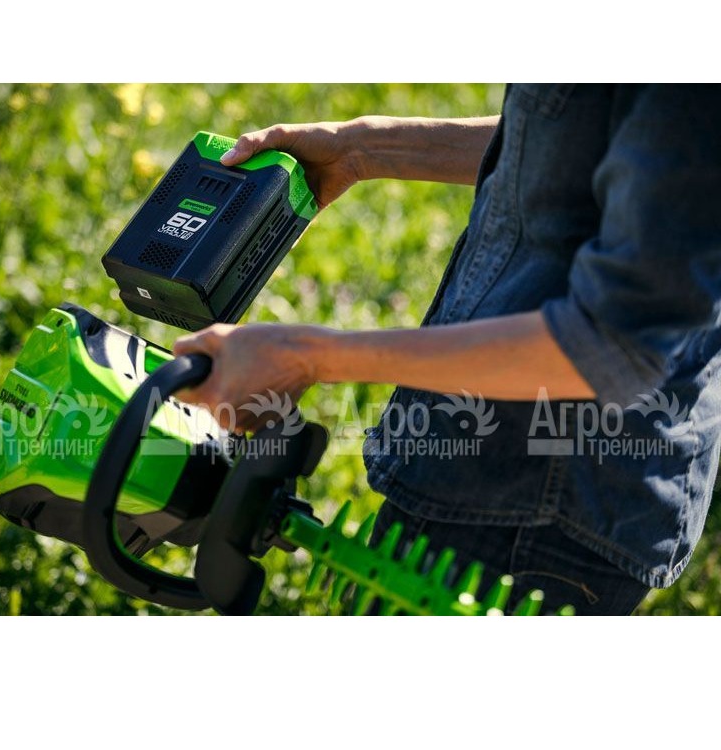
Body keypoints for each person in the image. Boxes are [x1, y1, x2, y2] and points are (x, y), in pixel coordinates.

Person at [174, 85, 721, 615]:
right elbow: (587, 138)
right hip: (494, 475)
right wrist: (358, 148)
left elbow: (613, 343)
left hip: (540, 509)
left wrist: (307, 356)